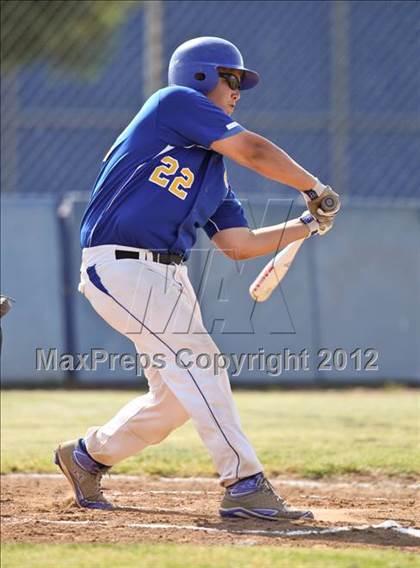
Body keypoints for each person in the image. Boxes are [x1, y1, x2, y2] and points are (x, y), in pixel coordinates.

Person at [54, 37, 340, 521]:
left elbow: (238, 245)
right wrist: (313, 187)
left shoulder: (214, 175)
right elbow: (253, 147)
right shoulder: (173, 103)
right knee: (201, 365)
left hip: (167, 276)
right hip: (120, 265)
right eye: (232, 79)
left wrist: (308, 223)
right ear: (201, 76)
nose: (238, 91)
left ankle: (86, 456)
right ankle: (245, 485)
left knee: (173, 401)